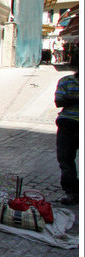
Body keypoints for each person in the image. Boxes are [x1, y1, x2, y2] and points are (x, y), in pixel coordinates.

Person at [55, 71, 79, 205]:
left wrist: (70, 98)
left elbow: (64, 99)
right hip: (67, 123)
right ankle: (72, 192)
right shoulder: (66, 81)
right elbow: (58, 101)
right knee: (65, 159)